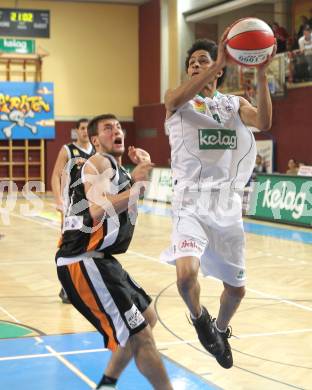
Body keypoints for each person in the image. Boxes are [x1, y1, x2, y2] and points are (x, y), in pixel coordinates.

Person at [161, 29, 275, 369]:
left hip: (226, 204)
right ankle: (199, 318)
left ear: (220, 70)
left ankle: (220, 330)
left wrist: (262, 72)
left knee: (237, 291)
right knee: (184, 277)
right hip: (189, 202)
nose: (196, 66)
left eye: (203, 61)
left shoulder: (233, 104)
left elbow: (265, 122)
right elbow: (173, 99)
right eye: (192, 63)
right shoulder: (178, 100)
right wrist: (219, 61)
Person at [55, 114, 172, 390]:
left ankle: (107, 383)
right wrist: (137, 185)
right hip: (82, 262)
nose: (116, 130)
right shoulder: (99, 161)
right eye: (108, 128)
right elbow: (97, 211)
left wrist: (139, 170)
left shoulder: (117, 169)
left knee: (147, 317)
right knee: (141, 336)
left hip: (102, 261)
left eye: (118, 126)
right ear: (94, 140)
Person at [51, 118, 94, 304]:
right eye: (82, 128)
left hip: (92, 207)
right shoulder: (68, 149)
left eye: (87, 128)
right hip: (71, 207)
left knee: (90, 246)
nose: (85, 131)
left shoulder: (96, 150)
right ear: (76, 131)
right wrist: (59, 200)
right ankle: (66, 287)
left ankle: (84, 285)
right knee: (69, 245)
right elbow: (55, 175)